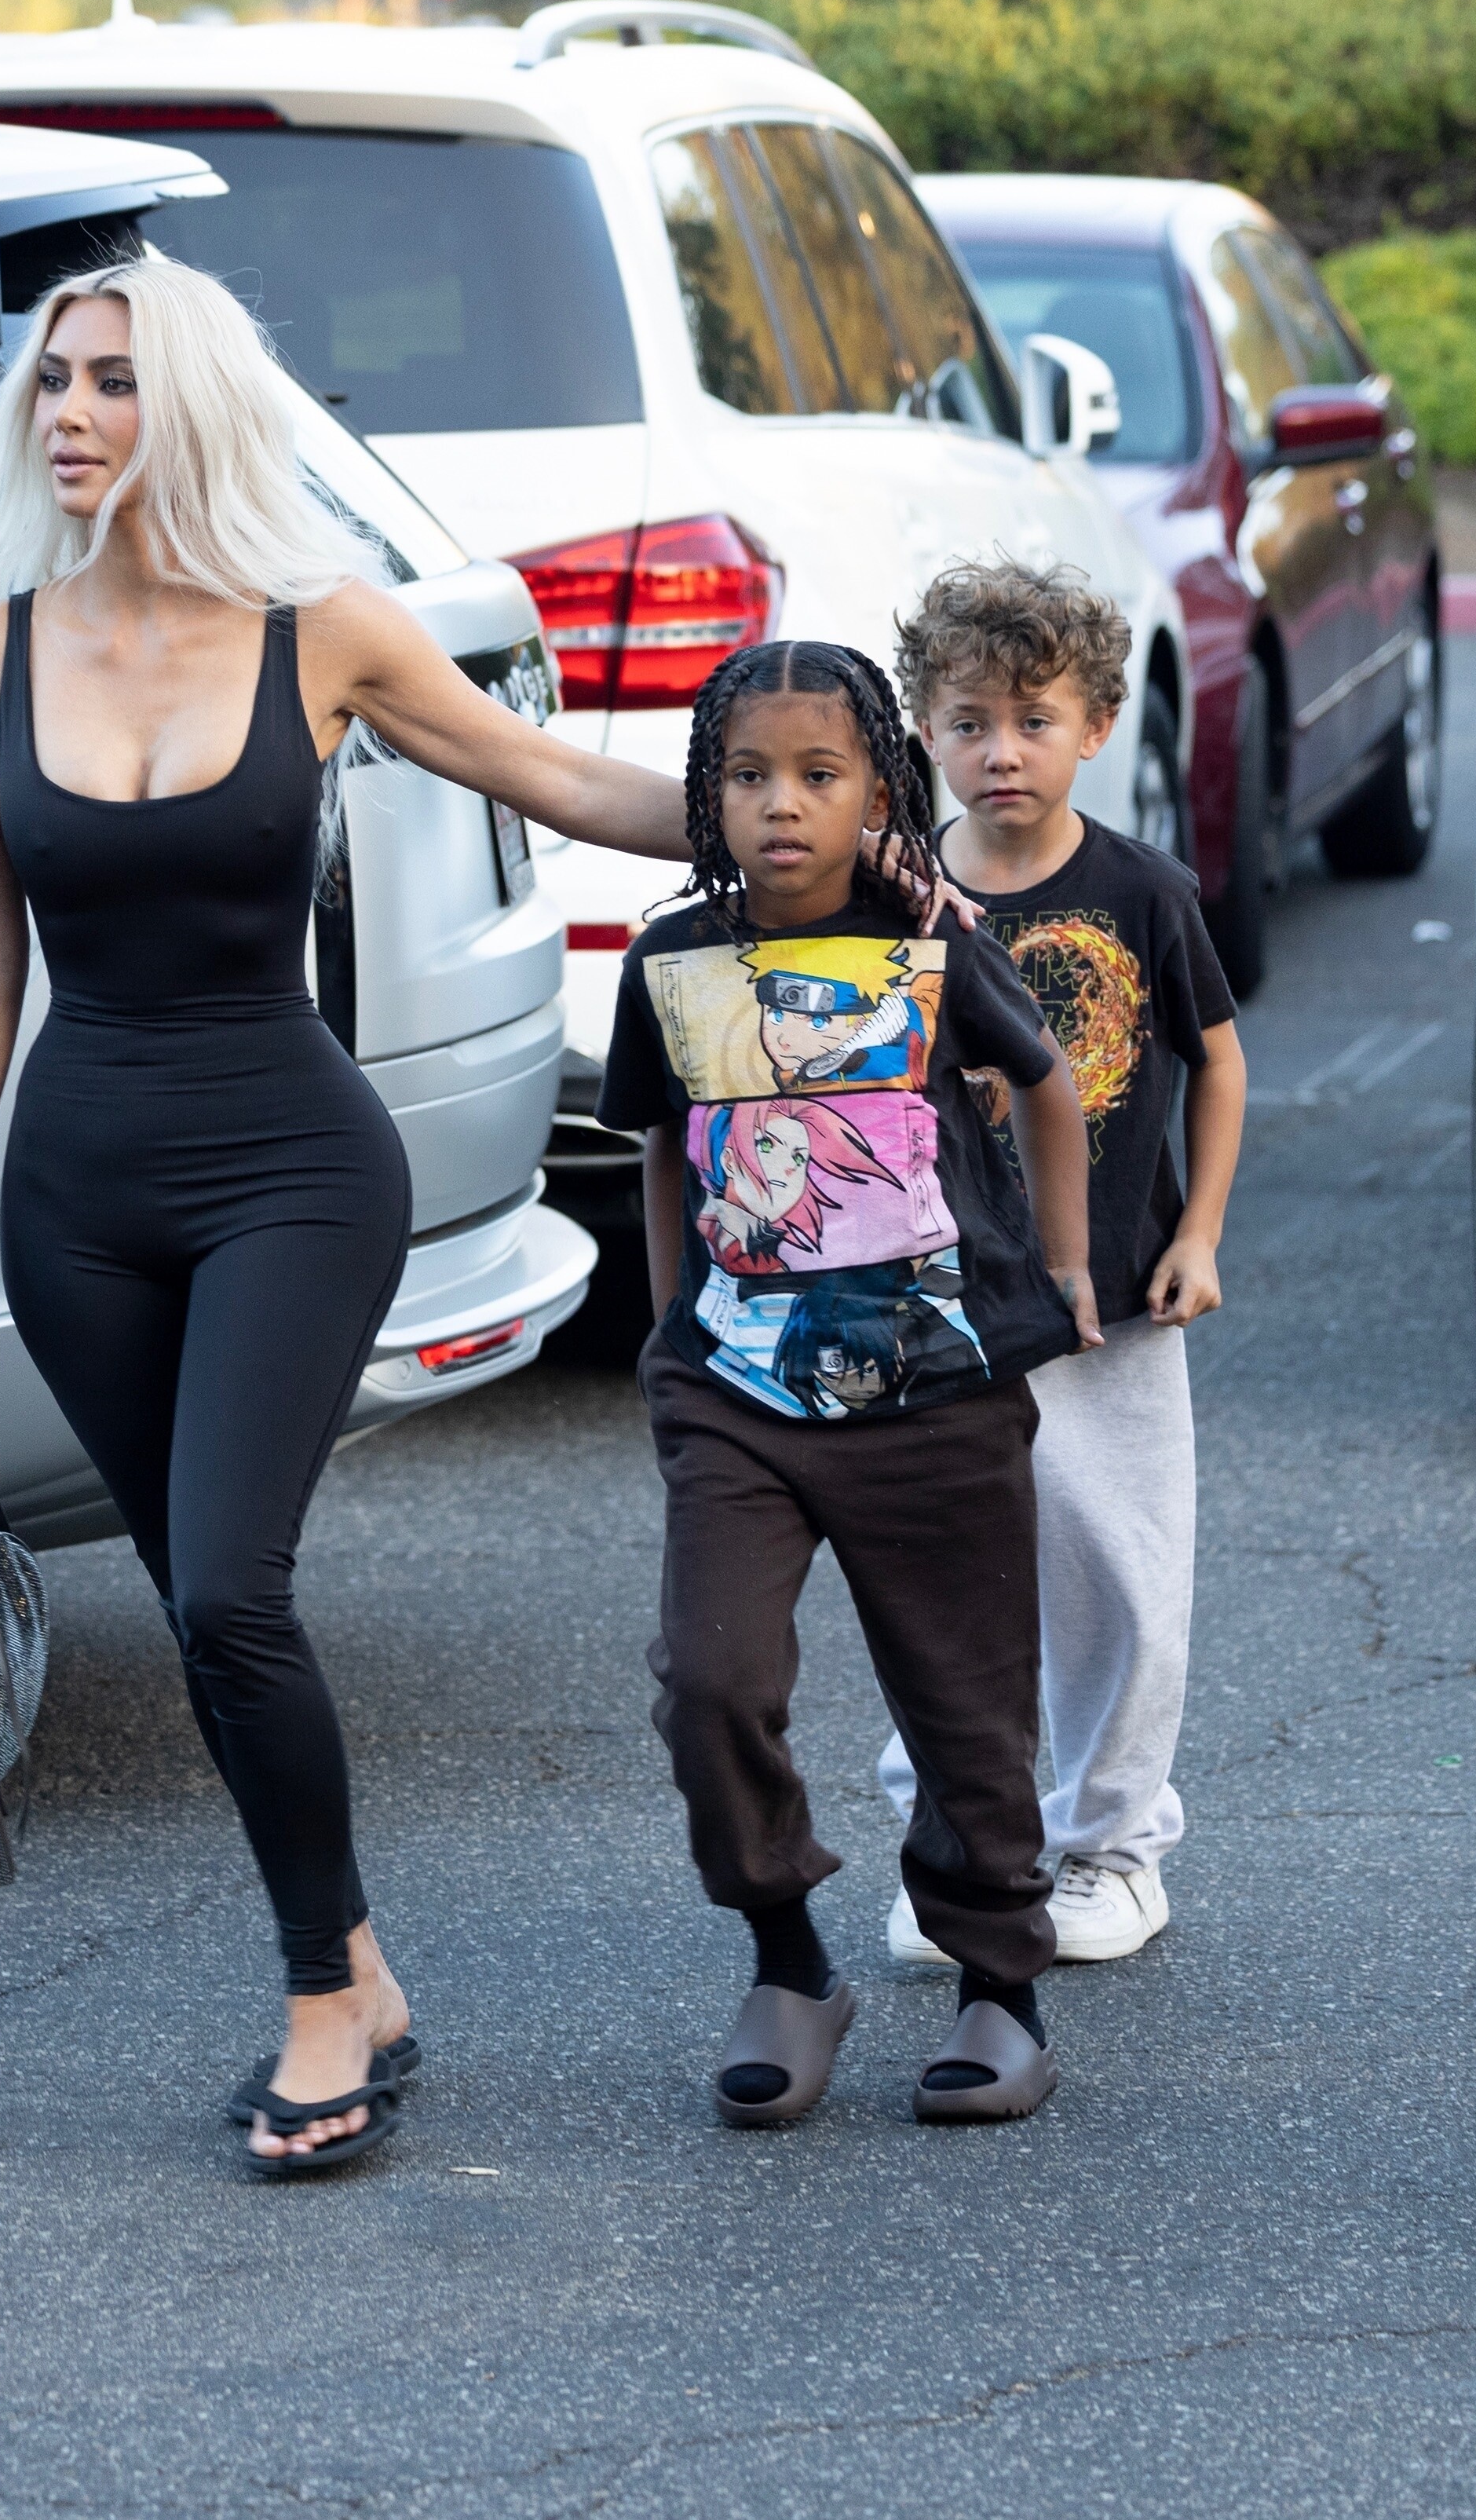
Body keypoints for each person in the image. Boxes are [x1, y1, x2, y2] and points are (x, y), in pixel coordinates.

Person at [0, 255, 702, 2178]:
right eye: (53, 381)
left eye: (114, 382)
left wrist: (804, 816)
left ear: (193, 407)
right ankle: (359, 1967)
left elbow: (548, 771)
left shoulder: (321, 629)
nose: (70, 414)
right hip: (78, 1201)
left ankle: (323, 1993)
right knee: (199, 1603)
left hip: (292, 1172)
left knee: (229, 1592)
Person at [595, 636, 1101, 2128]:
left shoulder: (933, 941)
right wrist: (670, 1329)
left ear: (878, 790)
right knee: (710, 1684)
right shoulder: (669, 960)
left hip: (939, 1391)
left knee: (967, 1707)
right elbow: (660, 1149)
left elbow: (1049, 1084)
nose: (781, 804)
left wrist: (1065, 1271)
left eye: (818, 774)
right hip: (735, 1393)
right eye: (747, 776)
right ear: (707, 794)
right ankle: (787, 1960)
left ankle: (998, 1986)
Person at [878, 558, 1245, 1967]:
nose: (1001, 751)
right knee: (943, 1580)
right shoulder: (894, 893)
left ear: (1094, 725)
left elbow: (1217, 1063)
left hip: (1117, 1313)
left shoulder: (1141, 890)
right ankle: (963, 1849)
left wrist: (1197, 1234)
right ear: (925, 729)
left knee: (1117, 1579)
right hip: (940, 1303)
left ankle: (1109, 1851)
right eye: (969, 722)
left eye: (1033, 720)